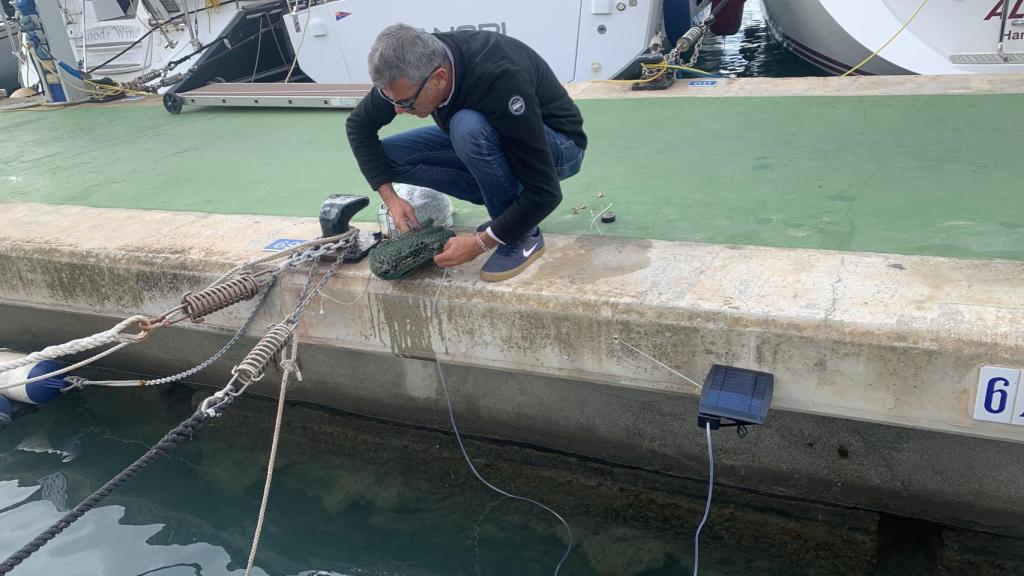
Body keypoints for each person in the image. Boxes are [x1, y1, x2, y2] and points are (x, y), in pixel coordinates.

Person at [346, 24, 587, 282]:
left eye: (405, 102)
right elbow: (358, 126)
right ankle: (509, 208)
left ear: (439, 78)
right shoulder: (409, 68)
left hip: (558, 146)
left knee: (466, 127)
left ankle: (521, 235)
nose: (399, 110)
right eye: (392, 100)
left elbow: (546, 192)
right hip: (496, 135)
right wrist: (392, 199)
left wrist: (481, 243)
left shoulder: (497, 77)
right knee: (391, 156)